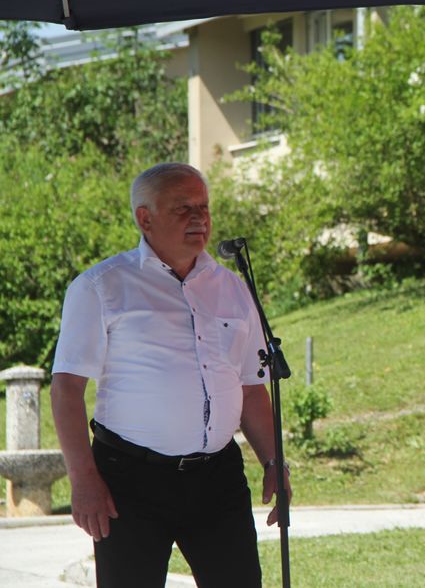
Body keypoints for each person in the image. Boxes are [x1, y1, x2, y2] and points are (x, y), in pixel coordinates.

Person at [50, 162, 290, 588]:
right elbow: (67, 389)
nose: (199, 218)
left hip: (217, 478)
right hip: (129, 481)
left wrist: (274, 461)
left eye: (204, 207)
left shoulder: (232, 288)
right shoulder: (101, 287)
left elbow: (252, 388)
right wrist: (83, 478)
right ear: (145, 218)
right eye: (183, 208)